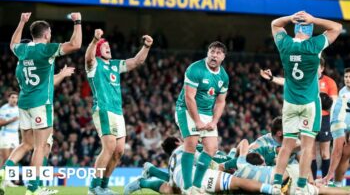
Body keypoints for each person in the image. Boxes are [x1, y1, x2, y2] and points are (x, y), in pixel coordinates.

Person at [0, 12, 82, 195]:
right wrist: (77, 21)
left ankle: (3, 172)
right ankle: (33, 188)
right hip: (40, 104)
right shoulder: (47, 49)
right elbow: (76, 44)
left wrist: (21, 22)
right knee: (41, 146)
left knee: (26, 144)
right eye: (50, 33)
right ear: (47, 35)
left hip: (24, 103)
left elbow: (13, 43)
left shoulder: (23, 50)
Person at [270, 11, 342, 194]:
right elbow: (337, 27)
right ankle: (301, 187)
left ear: (295, 29)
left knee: (287, 145)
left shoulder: (285, 44)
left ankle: (276, 184)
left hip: (290, 103)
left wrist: (289, 18)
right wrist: (315, 19)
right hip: (309, 103)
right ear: (310, 30)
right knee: (308, 146)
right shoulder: (313, 46)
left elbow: (275, 24)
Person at [85, 29, 153, 195]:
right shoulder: (94, 65)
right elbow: (88, 57)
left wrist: (146, 46)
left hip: (117, 111)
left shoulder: (115, 65)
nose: (108, 47)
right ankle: (94, 187)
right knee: (109, 146)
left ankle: (103, 186)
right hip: (103, 109)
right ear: (98, 50)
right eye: (104, 46)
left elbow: (137, 61)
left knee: (119, 151)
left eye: (108, 45)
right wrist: (95, 40)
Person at [260, 58, 338, 179]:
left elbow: (334, 102)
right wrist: (272, 78)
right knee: (309, 151)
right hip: (307, 118)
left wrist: (327, 107)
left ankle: (326, 181)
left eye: (317, 66)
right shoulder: (305, 78)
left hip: (324, 119)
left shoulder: (329, 82)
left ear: (322, 68)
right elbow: (287, 81)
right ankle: (309, 181)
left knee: (325, 152)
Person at [124, 137, 276, 195]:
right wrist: (229, 159)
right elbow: (212, 161)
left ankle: (143, 178)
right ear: (178, 142)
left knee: (169, 189)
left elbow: (170, 181)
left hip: (189, 183)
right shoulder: (189, 147)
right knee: (239, 183)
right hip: (203, 178)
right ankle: (271, 190)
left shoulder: (172, 161)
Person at [175, 41, 229, 194]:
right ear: (207, 53)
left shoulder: (223, 76)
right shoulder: (195, 69)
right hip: (185, 109)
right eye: (212, 51)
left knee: (212, 148)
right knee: (191, 143)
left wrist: (214, 121)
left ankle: (197, 187)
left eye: (218, 53)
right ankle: (187, 187)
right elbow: (189, 97)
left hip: (206, 113)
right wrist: (197, 121)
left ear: (223, 57)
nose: (214, 55)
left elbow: (221, 101)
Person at [230, 139, 349, 195]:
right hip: (290, 174)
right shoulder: (242, 163)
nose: (265, 165)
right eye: (263, 163)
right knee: (321, 190)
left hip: (287, 180)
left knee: (321, 191)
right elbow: (244, 142)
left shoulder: (240, 173)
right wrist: (239, 156)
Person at [322, 68, 350, 187]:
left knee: (344, 153)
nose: (347, 79)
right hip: (342, 124)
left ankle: (333, 180)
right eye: (346, 77)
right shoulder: (343, 91)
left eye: (349, 77)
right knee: (342, 152)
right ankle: (334, 180)